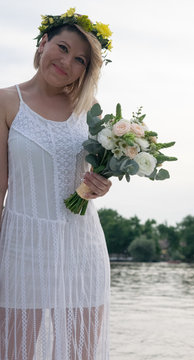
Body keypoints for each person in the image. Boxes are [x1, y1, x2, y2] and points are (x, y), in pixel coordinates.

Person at [0, 8, 112, 360]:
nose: (67, 62)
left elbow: (96, 176)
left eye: (80, 59)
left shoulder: (89, 108)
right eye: (62, 48)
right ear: (44, 42)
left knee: (81, 353)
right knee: (16, 351)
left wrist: (101, 186)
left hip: (82, 246)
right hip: (21, 247)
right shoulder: (5, 101)